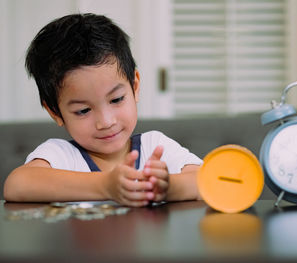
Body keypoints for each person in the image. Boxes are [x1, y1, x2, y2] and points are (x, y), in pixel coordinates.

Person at [3, 13, 202, 207]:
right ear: (55, 112)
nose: (106, 122)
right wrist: (106, 185)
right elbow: (17, 184)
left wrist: (168, 188)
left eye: (116, 99)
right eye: (83, 110)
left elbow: (206, 181)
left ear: (135, 87)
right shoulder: (61, 155)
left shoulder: (155, 146)